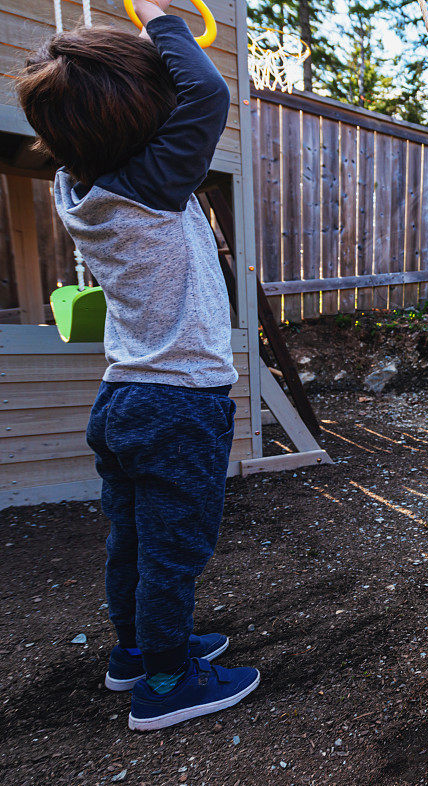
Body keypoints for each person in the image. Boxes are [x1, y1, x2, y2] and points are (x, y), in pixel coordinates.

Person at [16, 0, 259, 731]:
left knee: (133, 540)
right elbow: (209, 94)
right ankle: (164, 681)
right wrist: (159, 19)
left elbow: (161, 110)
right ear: (143, 125)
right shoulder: (149, 186)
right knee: (174, 549)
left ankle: (136, 650)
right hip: (178, 402)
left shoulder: (74, 186)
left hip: (122, 397)